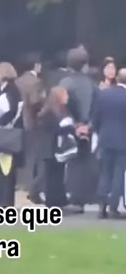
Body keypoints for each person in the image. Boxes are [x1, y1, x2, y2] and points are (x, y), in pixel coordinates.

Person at [59, 46, 98, 210]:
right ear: (85, 65)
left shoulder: (64, 83)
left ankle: (74, 197)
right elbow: (97, 106)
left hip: (71, 127)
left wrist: (74, 124)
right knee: (86, 162)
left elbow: (61, 106)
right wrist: (89, 125)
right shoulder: (91, 84)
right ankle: (86, 196)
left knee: (72, 163)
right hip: (88, 127)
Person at [0, 62, 23, 208]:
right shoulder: (16, 91)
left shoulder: (5, 95)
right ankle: (4, 198)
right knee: (8, 169)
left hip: (4, 135)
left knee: (4, 169)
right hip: (14, 134)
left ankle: (4, 201)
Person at [93, 67, 126, 219]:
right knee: (118, 173)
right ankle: (113, 206)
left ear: (117, 79)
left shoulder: (104, 94)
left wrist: (99, 132)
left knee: (105, 172)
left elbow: (96, 117)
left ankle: (102, 205)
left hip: (105, 138)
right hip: (123, 140)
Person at [16, 53, 46, 203]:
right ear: (36, 65)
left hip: (19, 122)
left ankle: (28, 186)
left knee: (28, 158)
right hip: (34, 124)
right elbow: (36, 103)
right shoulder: (36, 82)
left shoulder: (18, 81)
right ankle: (33, 189)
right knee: (37, 158)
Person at [37, 87, 73, 208]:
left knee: (59, 175)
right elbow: (53, 129)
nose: (67, 97)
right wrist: (66, 127)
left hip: (58, 147)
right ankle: (51, 202)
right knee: (51, 176)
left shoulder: (62, 110)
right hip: (50, 147)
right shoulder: (48, 113)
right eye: (65, 95)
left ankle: (60, 200)